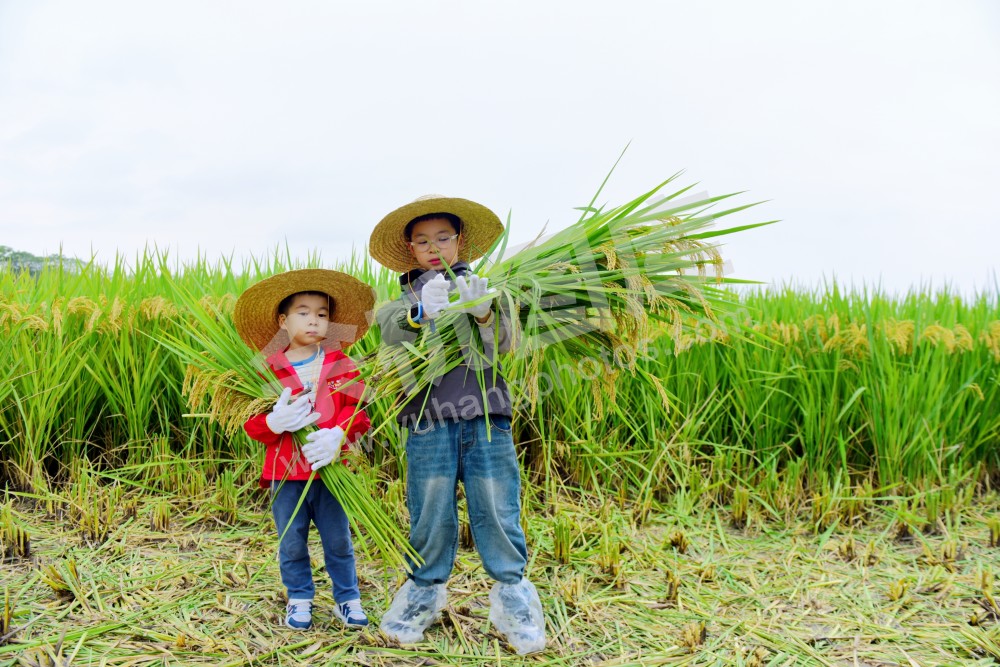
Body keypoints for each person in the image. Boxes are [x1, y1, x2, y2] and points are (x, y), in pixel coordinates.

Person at [368, 195, 546, 655]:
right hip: (427, 418)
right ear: (411, 247)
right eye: (423, 240)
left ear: (460, 241)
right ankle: (423, 592)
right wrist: (421, 312)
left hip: (486, 412)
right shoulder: (406, 296)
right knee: (429, 507)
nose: (434, 248)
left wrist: (483, 310)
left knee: (496, 502)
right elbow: (388, 330)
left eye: (443, 238)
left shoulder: (489, 287)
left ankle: (512, 597)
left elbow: (507, 342)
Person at [235, 269, 374, 631]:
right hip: (285, 473)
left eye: (323, 314)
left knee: (338, 540)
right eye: (303, 311)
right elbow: (250, 423)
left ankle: (348, 598)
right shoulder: (265, 369)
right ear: (283, 320)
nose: (314, 320)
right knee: (291, 541)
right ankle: (299, 598)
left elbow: (360, 415)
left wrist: (339, 434)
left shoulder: (343, 363)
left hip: (332, 470)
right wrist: (272, 423)